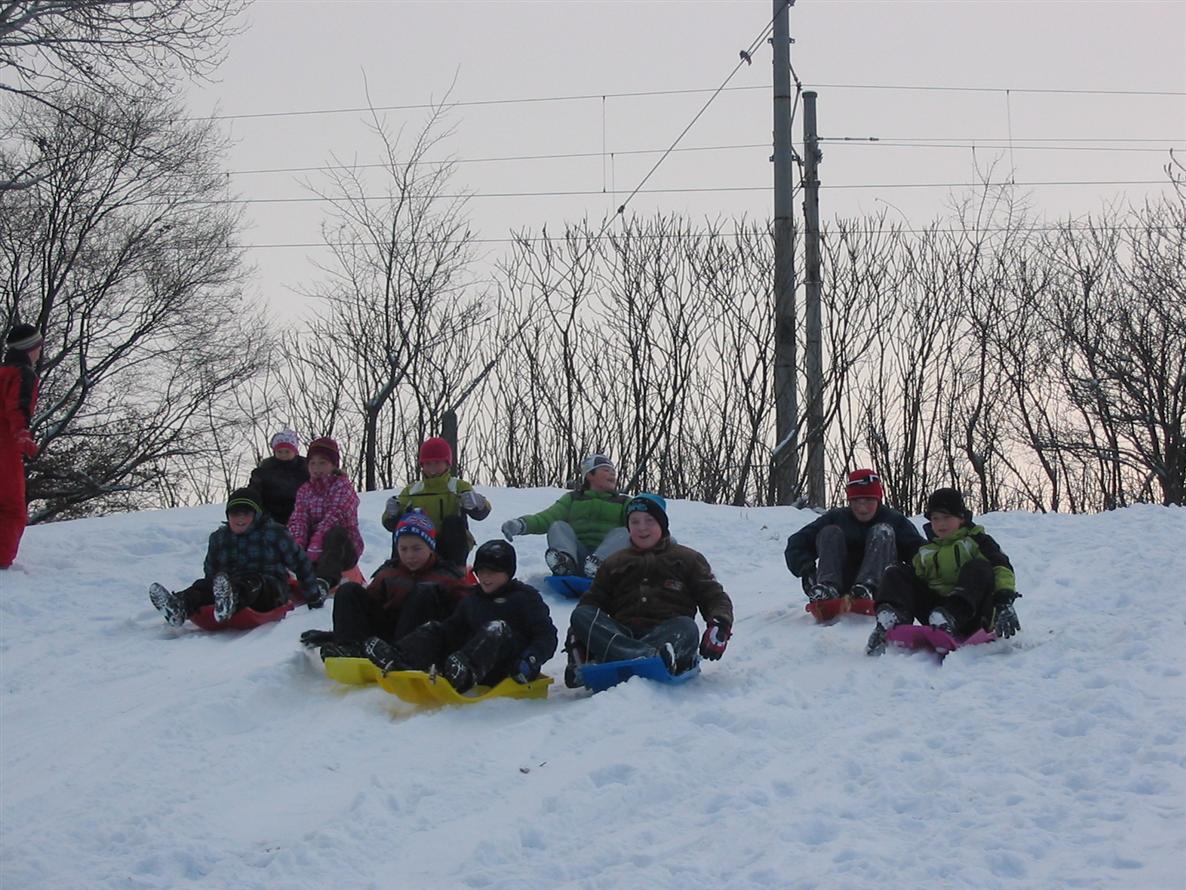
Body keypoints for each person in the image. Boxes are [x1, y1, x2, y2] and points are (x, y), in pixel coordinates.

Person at [565, 493, 734, 687]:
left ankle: (627, 656)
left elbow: (714, 596)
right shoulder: (614, 562)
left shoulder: (687, 559)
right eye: (634, 522)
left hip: (666, 635)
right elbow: (593, 602)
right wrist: (577, 637)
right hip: (622, 634)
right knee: (581, 615)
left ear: (662, 524)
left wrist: (720, 624)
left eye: (649, 521)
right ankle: (641, 655)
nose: (642, 528)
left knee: (687, 627)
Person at [365, 539, 558, 694]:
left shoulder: (525, 598)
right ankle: (400, 659)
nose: (485, 578)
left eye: (492, 572)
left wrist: (530, 660)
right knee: (436, 628)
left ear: (508, 572)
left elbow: (546, 635)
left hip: (509, 667)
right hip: (470, 660)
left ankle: (463, 672)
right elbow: (453, 628)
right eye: (481, 572)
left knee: (496, 628)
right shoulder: (473, 598)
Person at [865, 487, 1020, 656]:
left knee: (979, 567)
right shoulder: (926, 551)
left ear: (961, 518)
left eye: (946, 517)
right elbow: (913, 584)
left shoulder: (977, 541)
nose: (940, 524)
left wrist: (1004, 601)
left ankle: (949, 616)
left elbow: (1002, 567)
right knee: (896, 571)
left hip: (974, 615)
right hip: (936, 615)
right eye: (935, 518)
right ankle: (890, 620)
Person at [149, 487, 322, 626]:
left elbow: (300, 563)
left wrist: (313, 595)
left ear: (256, 515)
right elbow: (211, 570)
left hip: (268, 589)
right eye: (235, 514)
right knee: (202, 585)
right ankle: (179, 606)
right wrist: (208, 591)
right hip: (227, 585)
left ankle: (231, 600)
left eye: (246, 513)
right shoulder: (219, 537)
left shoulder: (274, 533)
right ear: (228, 515)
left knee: (253, 581)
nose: (240, 518)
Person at [310, 509, 470, 659]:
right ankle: (349, 647)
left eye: (417, 549)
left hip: (421, 642)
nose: (410, 555)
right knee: (349, 590)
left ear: (430, 548)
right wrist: (341, 633)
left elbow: (466, 615)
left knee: (424, 591)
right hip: (386, 637)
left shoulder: (447, 576)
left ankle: (403, 655)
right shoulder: (389, 572)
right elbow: (364, 608)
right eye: (404, 549)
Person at [784, 468, 924, 607]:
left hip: (883, 585)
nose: (862, 508)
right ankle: (828, 588)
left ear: (878, 499)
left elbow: (919, 552)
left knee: (882, 531)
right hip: (842, 583)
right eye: (857, 501)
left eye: (868, 500)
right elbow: (797, 543)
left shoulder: (895, 520)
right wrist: (806, 569)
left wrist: (912, 581)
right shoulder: (836, 518)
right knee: (830, 532)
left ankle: (869, 587)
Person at [500, 453, 630, 578]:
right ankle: (565, 563)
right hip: (578, 557)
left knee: (624, 532)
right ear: (590, 475)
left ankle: (599, 566)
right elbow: (547, 517)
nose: (612, 474)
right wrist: (521, 524)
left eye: (613, 471)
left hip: (609, 562)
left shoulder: (624, 502)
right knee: (558, 526)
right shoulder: (573, 499)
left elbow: (640, 521)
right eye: (606, 470)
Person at [381, 436, 491, 567]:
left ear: (447, 464)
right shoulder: (412, 491)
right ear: (422, 465)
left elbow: (481, 513)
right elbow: (391, 524)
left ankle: (455, 570)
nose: (432, 468)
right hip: (419, 545)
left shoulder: (458, 487)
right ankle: (397, 569)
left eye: (437, 463)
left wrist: (477, 504)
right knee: (403, 527)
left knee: (453, 522)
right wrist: (392, 514)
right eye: (428, 463)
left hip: (449, 547)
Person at [287, 436, 364, 588]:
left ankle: (324, 582)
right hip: (312, 549)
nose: (317, 468)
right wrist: (298, 545)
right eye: (312, 463)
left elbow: (336, 515)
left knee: (335, 533)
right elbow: (299, 519)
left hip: (343, 549)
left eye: (322, 463)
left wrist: (317, 542)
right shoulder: (304, 490)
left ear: (333, 465)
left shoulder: (342, 486)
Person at [0, 324, 42, 569]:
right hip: (4, 447)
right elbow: (18, 405)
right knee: (12, 506)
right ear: (31, 349)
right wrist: (23, 435)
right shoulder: (22, 374)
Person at [248, 429, 309, 524]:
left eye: (287, 451)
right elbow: (254, 492)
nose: (283, 455)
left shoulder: (305, 470)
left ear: (295, 452)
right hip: (269, 515)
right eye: (280, 451)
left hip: (299, 514)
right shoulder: (264, 470)